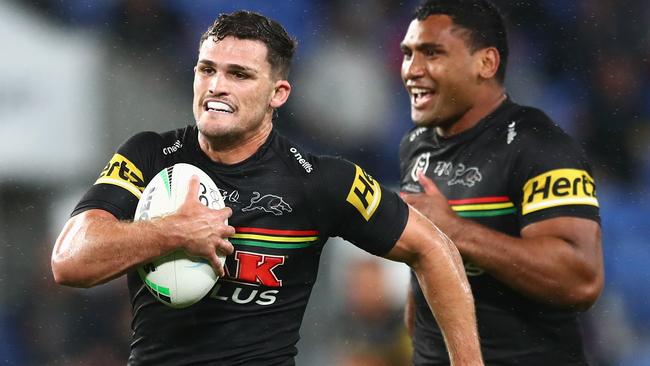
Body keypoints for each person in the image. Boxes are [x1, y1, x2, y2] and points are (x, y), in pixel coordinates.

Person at [51, 10, 483, 366]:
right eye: (207, 69)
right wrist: (174, 231)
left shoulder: (320, 181)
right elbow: (69, 262)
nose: (217, 86)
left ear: (278, 93)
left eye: (239, 74)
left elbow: (435, 250)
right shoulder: (149, 155)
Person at [398, 1, 604, 365]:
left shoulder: (540, 145)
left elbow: (580, 278)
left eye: (432, 53)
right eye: (408, 53)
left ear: (486, 63)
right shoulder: (415, 146)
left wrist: (455, 233)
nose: (412, 70)